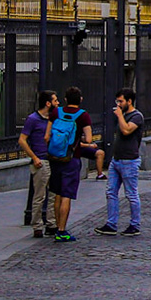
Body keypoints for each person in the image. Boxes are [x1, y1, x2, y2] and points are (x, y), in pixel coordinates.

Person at [46, 86, 97, 242]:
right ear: (80, 100)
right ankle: (62, 230)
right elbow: (88, 139)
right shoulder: (83, 116)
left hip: (55, 158)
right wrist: (77, 142)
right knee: (67, 194)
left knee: (57, 194)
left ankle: (55, 227)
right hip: (71, 158)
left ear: (66, 99)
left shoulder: (56, 112)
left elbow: (47, 137)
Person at [96, 90, 145, 237]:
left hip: (129, 161)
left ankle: (135, 224)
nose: (118, 104)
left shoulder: (137, 116)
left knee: (131, 194)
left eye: (121, 101)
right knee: (111, 192)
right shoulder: (124, 115)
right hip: (116, 160)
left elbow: (126, 130)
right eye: (117, 101)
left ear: (129, 101)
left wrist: (119, 116)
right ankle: (111, 224)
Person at [19, 90, 58, 238]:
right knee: (40, 195)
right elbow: (22, 140)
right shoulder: (33, 119)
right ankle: (37, 225)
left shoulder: (53, 118)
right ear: (48, 103)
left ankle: (51, 223)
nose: (58, 103)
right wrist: (34, 157)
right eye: (55, 101)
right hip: (41, 159)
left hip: (53, 159)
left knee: (53, 195)